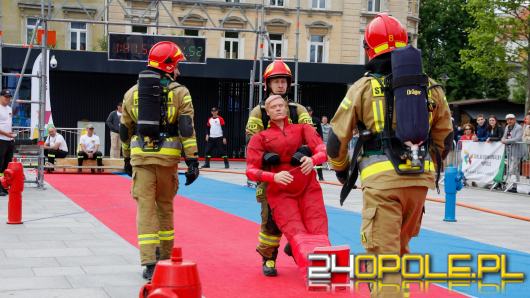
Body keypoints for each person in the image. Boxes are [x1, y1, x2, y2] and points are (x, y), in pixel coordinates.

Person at [327, 13, 453, 297]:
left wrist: (341, 169)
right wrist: (425, 168)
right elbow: (445, 138)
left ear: (370, 49)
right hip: (419, 183)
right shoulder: (431, 88)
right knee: (399, 251)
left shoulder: (363, 87)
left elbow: (336, 139)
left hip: (382, 183)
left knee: (384, 263)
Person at [120, 41, 199, 281]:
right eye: (177, 65)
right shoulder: (180, 92)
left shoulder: (132, 92)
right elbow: (187, 128)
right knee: (165, 207)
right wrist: (193, 161)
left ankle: (149, 263)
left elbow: (125, 130)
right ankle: (165, 257)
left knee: (145, 210)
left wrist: (126, 158)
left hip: (141, 160)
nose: (179, 70)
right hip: (168, 161)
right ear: (169, 66)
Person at [246, 94, 330, 276]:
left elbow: (323, 149)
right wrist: (272, 177)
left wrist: (313, 159)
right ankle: (311, 268)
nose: (277, 108)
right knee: (294, 230)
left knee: (318, 228)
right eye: (273, 106)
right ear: (267, 112)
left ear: (286, 108)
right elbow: (250, 170)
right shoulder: (260, 137)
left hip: (308, 186)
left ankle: (322, 268)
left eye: (281, 105)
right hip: (280, 191)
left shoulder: (303, 129)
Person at [244, 59, 313, 277]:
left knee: (303, 216)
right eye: (276, 81)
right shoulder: (259, 112)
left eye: (284, 81)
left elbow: (311, 135)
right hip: (271, 176)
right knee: (271, 219)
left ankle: (295, 245)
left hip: (298, 175)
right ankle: (269, 259)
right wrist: (265, 155)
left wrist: (304, 151)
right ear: (268, 85)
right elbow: (250, 139)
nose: (280, 85)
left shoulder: (298, 110)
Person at [501, 113, 523, 191]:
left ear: (514, 120)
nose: (509, 121)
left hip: (517, 151)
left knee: (511, 169)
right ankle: (514, 187)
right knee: (515, 169)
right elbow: (504, 136)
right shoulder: (507, 127)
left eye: (511, 119)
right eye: (508, 119)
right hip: (509, 150)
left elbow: (517, 138)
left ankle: (511, 184)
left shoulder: (519, 127)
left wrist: (505, 140)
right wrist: (502, 139)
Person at [0, 89, 15, 196]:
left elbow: (7, 124)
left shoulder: (9, 109)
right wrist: (6, 134)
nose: (8, 99)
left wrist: (11, 134)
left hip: (9, 140)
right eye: (6, 97)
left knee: (7, 165)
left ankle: (4, 185)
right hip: (1, 140)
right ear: (1, 97)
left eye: (9, 97)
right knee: (0, 165)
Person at [307, 106, 324, 180]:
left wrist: (321, 141)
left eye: (309, 111)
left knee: (318, 159)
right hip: (306, 143)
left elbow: (320, 131)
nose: (308, 112)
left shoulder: (316, 120)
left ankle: (320, 176)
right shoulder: (303, 120)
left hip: (316, 142)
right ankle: (308, 177)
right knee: (307, 159)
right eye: (307, 111)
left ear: (311, 112)